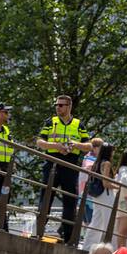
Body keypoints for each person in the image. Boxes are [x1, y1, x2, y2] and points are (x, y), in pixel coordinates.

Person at [36, 95, 93, 242]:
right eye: (56, 105)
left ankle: (69, 238)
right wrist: (56, 146)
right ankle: (38, 233)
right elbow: (40, 142)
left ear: (69, 107)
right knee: (46, 198)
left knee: (70, 201)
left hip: (70, 164)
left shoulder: (78, 124)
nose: (58, 108)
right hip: (52, 162)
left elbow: (89, 146)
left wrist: (74, 144)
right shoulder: (51, 122)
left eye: (61, 105)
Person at [82, 141, 118, 251]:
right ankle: (112, 247)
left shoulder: (97, 163)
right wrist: (119, 187)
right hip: (105, 194)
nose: (113, 154)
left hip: (97, 195)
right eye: (112, 152)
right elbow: (105, 183)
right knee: (110, 221)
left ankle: (88, 246)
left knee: (96, 221)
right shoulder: (106, 163)